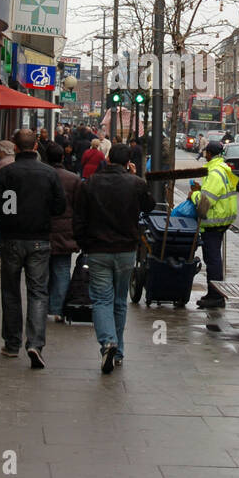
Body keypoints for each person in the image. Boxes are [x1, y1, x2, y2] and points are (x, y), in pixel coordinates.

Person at [0, 128, 66, 368]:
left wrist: (10, 214)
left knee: (11, 291)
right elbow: (60, 207)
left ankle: (12, 344)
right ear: (35, 147)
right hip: (39, 239)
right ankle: (35, 343)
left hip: (12, 238)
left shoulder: (6, 173)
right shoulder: (49, 173)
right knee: (38, 292)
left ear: (15, 147)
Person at [73, 142, 155, 373]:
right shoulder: (135, 184)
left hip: (98, 249)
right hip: (126, 249)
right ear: (128, 163)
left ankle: (108, 342)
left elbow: (79, 218)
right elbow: (149, 206)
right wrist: (137, 177)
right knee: (120, 301)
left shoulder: (90, 183)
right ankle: (117, 350)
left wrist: (83, 243)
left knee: (101, 300)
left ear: (107, 159)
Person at [189, 139, 238, 309]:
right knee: (213, 258)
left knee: (213, 259)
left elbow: (205, 202)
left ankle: (216, 296)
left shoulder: (215, 173)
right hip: (222, 222)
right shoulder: (222, 169)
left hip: (214, 223)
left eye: (206, 153)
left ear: (209, 154)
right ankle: (213, 293)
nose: (205, 155)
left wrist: (194, 194)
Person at [46, 142, 81, 321]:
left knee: (41, 271)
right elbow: (79, 207)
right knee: (62, 270)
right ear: (62, 157)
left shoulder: (42, 176)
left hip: (43, 230)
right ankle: (58, 309)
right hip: (66, 232)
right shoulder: (73, 179)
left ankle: (40, 307)